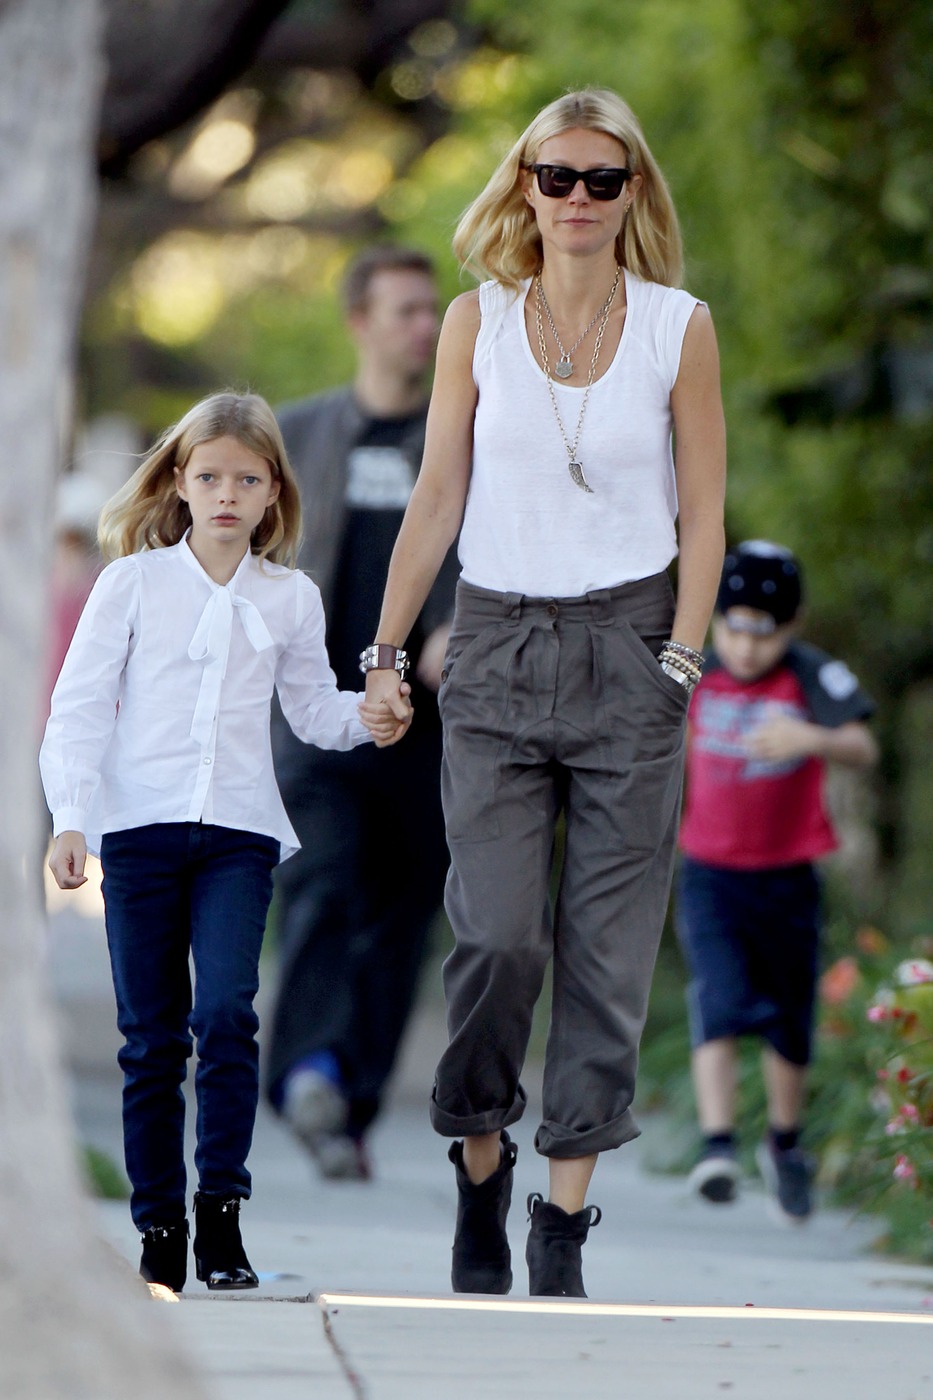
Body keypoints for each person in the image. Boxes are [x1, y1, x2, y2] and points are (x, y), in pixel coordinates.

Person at [356, 89, 727, 1297]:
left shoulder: (681, 327)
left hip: (632, 647)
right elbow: (436, 500)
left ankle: (562, 1217)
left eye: (600, 180)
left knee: (608, 958)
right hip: (501, 647)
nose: (575, 198)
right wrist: (387, 650)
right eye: (553, 176)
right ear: (523, 186)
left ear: (632, 195)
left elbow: (706, 514)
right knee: (499, 935)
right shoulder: (478, 323)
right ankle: (479, 1160)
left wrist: (680, 655)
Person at [40, 392, 395, 1295]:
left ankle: (222, 1223)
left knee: (228, 1014)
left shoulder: (290, 598)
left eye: (247, 478)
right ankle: (158, 1230)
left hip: (237, 832)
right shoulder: (131, 583)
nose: (227, 494)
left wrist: (372, 717)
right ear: (179, 483)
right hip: (140, 831)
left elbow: (313, 710)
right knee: (151, 1038)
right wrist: (72, 815)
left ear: (273, 491)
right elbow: (79, 706)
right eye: (209, 478)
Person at [265, 246, 455, 1180]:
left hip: (429, 730)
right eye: (407, 310)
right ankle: (304, 1069)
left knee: (404, 915)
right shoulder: (295, 437)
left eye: (431, 312)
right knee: (323, 886)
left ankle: (351, 1097)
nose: (424, 326)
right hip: (315, 718)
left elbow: (494, 544)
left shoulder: (460, 439)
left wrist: (456, 623)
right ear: (359, 321)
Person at [676, 540, 878, 1222]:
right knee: (719, 997)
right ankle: (717, 1147)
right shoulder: (694, 672)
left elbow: (862, 745)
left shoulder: (809, 676)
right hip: (709, 870)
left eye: (763, 634)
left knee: (788, 1019)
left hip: (788, 875)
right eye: (731, 627)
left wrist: (811, 739)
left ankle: (784, 1144)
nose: (746, 647)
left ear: (789, 628)